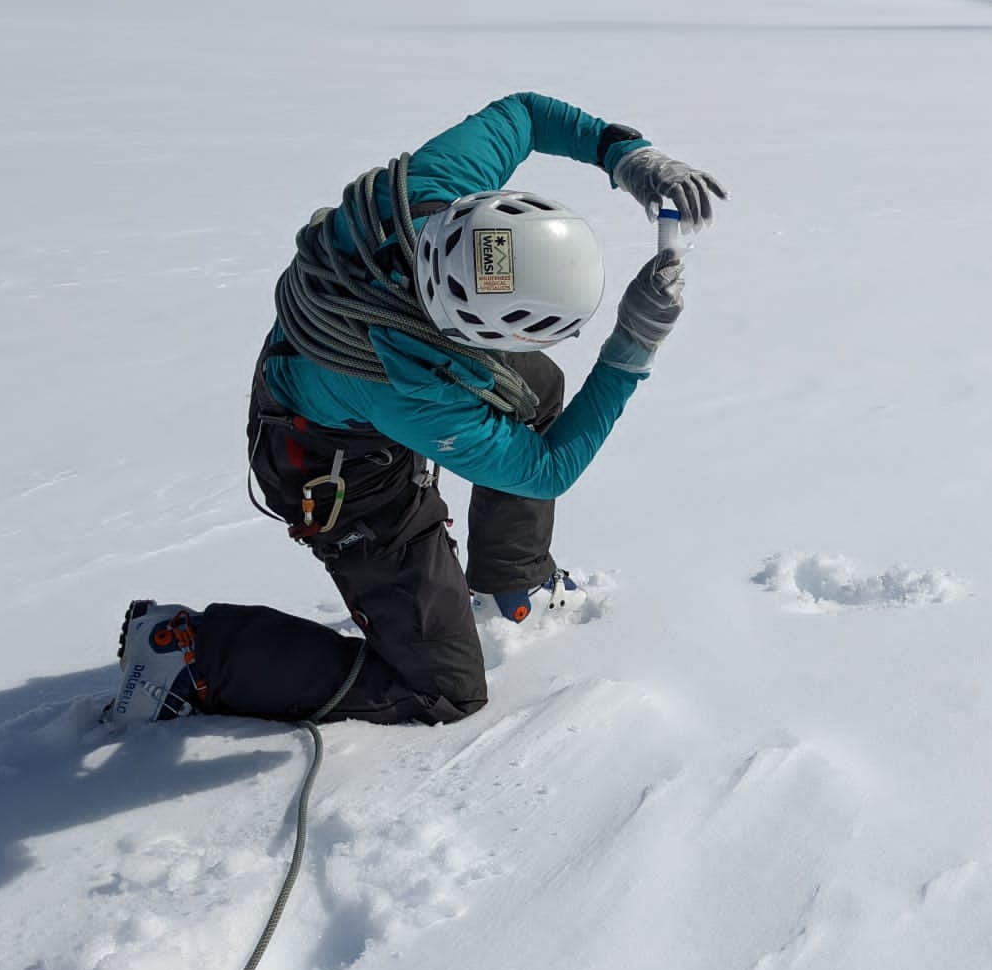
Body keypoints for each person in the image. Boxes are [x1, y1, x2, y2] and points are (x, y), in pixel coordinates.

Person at [107, 92, 727, 728]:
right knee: (441, 689)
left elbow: (524, 114)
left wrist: (625, 153)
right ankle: (191, 652)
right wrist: (631, 348)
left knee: (532, 388)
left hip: (364, 352)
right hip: (335, 464)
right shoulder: (420, 395)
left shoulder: (428, 195)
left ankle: (512, 578)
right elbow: (546, 471)